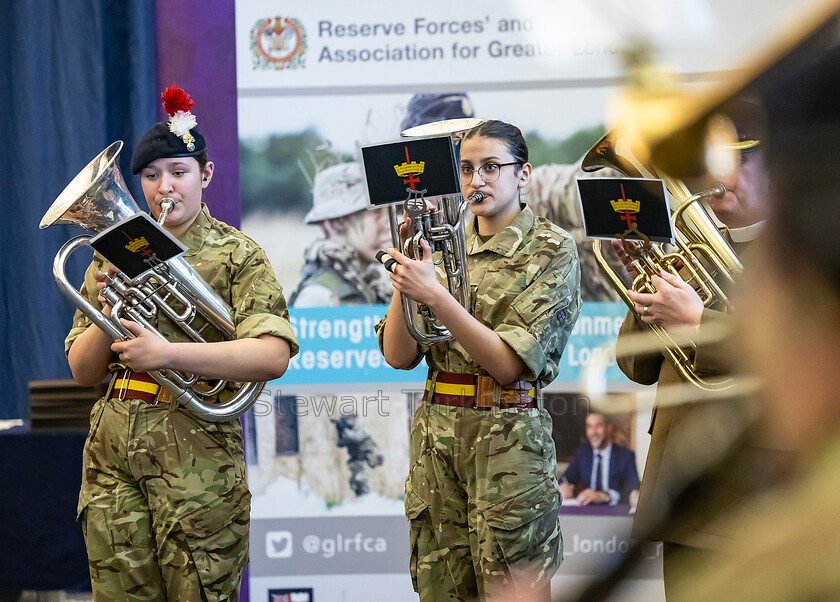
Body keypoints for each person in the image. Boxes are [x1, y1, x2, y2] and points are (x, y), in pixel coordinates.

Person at [64, 86, 298, 600]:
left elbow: (272, 356)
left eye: (178, 172)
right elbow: (83, 372)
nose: (163, 187)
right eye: (150, 176)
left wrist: (166, 354)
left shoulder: (238, 254)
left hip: (196, 457)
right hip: (113, 452)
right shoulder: (115, 251)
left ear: (205, 176)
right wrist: (106, 315)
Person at [377, 120, 582, 601]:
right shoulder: (445, 242)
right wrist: (408, 271)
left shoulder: (553, 249)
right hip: (437, 440)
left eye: (492, 167)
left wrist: (438, 296)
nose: (477, 181)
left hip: (508, 442)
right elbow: (397, 354)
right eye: (466, 169)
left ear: (523, 173)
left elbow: (509, 365)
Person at [612, 98, 771, 596]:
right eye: (714, 163)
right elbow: (634, 366)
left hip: (755, 494)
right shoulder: (684, 249)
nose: (722, 176)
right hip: (680, 495)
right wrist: (647, 274)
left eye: (741, 160)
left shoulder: (804, 253)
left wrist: (698, 321)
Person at [289, 161, 392, 307]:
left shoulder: (374, 286)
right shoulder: (319, 298)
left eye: (390, 212)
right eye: (376, 212)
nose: (389, 224)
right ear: (336, 223)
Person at [559, 411, 640, 507]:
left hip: (615, 514)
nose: (593, 432)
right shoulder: (582, 453)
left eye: (598, 426)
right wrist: (562, 487)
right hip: (588, 513)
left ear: (609, 428)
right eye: (589, 426)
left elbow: (633, 489)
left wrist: (604, 496)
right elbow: (565, 479)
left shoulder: (626, 456)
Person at [331, 412, 385, 496]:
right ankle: (362, 500)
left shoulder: (361, 428)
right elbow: (340, 443)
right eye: (348, 419)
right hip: (356, 462)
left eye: (352, 418)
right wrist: (340, 431)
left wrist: (344, 429)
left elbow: (357, 437)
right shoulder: (349, 431)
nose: (350, 420)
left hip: (367, 458)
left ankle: (366, 500)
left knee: (361, 479)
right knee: (354, 484)